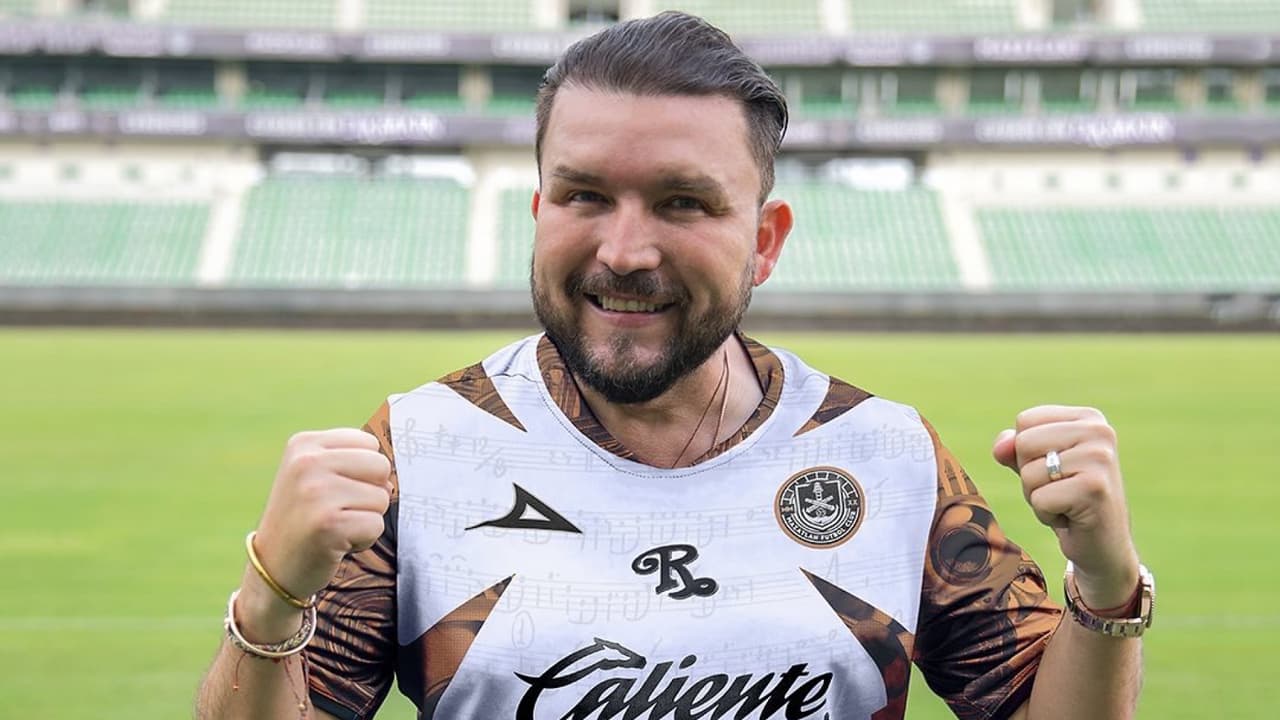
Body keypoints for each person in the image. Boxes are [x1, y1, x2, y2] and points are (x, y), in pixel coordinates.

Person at [196, 12, 1151, 720]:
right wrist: (272, 596)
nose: (624, 251)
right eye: (584, 195)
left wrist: (1106, 580)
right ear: (539, 213)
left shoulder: (884, 452)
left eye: (683, 203)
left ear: (764, 241)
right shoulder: (424, 446)